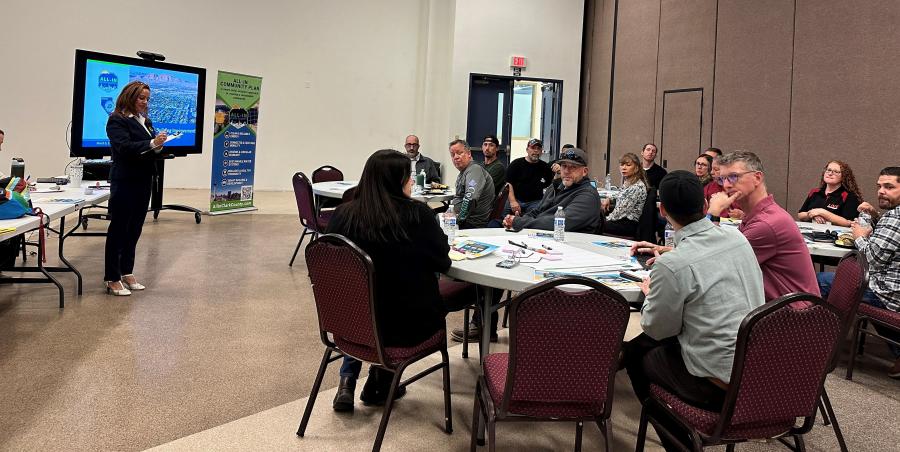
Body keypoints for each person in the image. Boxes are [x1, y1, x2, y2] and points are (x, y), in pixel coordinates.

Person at [625, 170, 764, 452]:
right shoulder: (738, 239)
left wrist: (653, 295)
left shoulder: (673, 266)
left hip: (715, 384)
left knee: (636, 355)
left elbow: (658, 328)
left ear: (662, 211)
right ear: (704, 206)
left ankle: (681, 443)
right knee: (643, 346)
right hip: (757, 368)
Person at [326, 149, 451, 411]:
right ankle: (381, 381)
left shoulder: (342, 214)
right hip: (403, 331)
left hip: (347, 326)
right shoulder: (418, 215)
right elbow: (443, 262)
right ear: (400, 180)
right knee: (407, 300)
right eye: (409, 177)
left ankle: (348, 380)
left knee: (367, 300)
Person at [817, 166, 900, 378]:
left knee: (820, 281)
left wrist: (860, 236)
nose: (881, 191)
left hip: (885, 291)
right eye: (879, 186)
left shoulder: (895, 218)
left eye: (889, 187)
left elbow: (871, 260)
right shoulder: (891, 216)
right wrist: (875, 218)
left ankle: (815, 348)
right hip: (893, 288)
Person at [708, 150, 819, 301]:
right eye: (722, 179)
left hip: (792, 317)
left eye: (733, 177)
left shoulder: (767, 225)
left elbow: (711, 266)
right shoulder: (758, 215)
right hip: (776, 308)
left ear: (757, 177)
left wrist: (713, 212)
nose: (726, 185)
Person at [104, 81, 168, 296]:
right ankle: (112, 277)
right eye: (141, 98)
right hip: (125, 180)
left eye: (147, 98)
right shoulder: (116, 120)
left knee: (135, 228)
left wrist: (157, 146)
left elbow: (149, 149)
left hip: (143, 180)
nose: (145, 102)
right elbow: (124, 148)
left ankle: (126, 271)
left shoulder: (145, 121)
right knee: (119, 229)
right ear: (129, 96)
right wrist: (151, 144)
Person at [502, 147, 602, 233]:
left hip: (573, 247)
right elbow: (537, 211)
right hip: (542, 237)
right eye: (564, 166)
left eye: (573, 167)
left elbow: (559, 223)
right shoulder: (555, 186)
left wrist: (519, 222)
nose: (567, 171)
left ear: (584, 172)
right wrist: (516, 220)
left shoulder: (588, 196)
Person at [797, 160, 863, 227]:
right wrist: (813, 215)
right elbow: (800, 215)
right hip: (811, 233)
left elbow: (849, 223)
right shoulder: (815, 192)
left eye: (836, 172)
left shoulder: (849, 196)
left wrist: (822, 212)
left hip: (837, 236)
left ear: (843, 177)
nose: (830, 173)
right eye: (828, 170)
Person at [448, 139, 495, 228]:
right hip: (462, 219)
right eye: (452, 155)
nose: (456, 157)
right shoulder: (465, 171)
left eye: (459, 153)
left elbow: (470, 198)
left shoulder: (474, 170)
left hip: (471, 223)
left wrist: (457, 220)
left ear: (469, 154)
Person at [502, 138, 553, 217]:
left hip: (535, 202)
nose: (536, 151)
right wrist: (513, 202)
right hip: (516, 199)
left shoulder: (546, 167)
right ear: (527, 149)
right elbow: (508, 184)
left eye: (538, 149)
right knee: (503, 217)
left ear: (541, 152)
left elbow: (552, 185)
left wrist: (558, 171)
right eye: (533, 148)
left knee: (533, 220)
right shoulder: (516, 164)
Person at [602, 153, 648, 237]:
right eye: (622, 165)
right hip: (621, 220)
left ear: (636, 167)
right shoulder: (629, 182)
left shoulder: (636, 187)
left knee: (593, 224)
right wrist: (610, 198)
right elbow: (620, 194)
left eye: (628, 165)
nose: (624, 168)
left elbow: (620, 212)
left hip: (627, 224)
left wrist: (604, 219)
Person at [703, 155, 731, 219]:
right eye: (711, 169)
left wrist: (742, 214)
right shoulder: (709, 187)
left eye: (716, 169)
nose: (711, 172)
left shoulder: (736, 188)